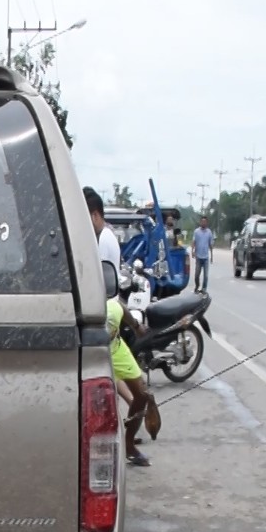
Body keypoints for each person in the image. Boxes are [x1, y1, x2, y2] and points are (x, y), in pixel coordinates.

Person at [86, 187, 151, 467]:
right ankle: (118, 443)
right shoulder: (99, 237)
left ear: (95, 214)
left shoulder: (102, 242)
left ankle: (128, 441)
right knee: (103, 393)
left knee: (140, 393)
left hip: (107, 323)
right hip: (103, 326)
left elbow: (108, 292)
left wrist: (132, 325)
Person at [192, 217, 215, 294]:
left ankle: (204, 289)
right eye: (202, 222)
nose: (203, 223)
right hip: (198, 257)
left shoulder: (209, 232)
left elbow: (210, 244)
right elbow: (194, 242)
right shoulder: (196, 231)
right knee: (196, 275)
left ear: (207, 223)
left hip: (205, 257)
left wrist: (211, 256)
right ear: (200, 222)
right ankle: (197, 286)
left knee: (206, 276)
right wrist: (192, 251)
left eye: (205, 222)